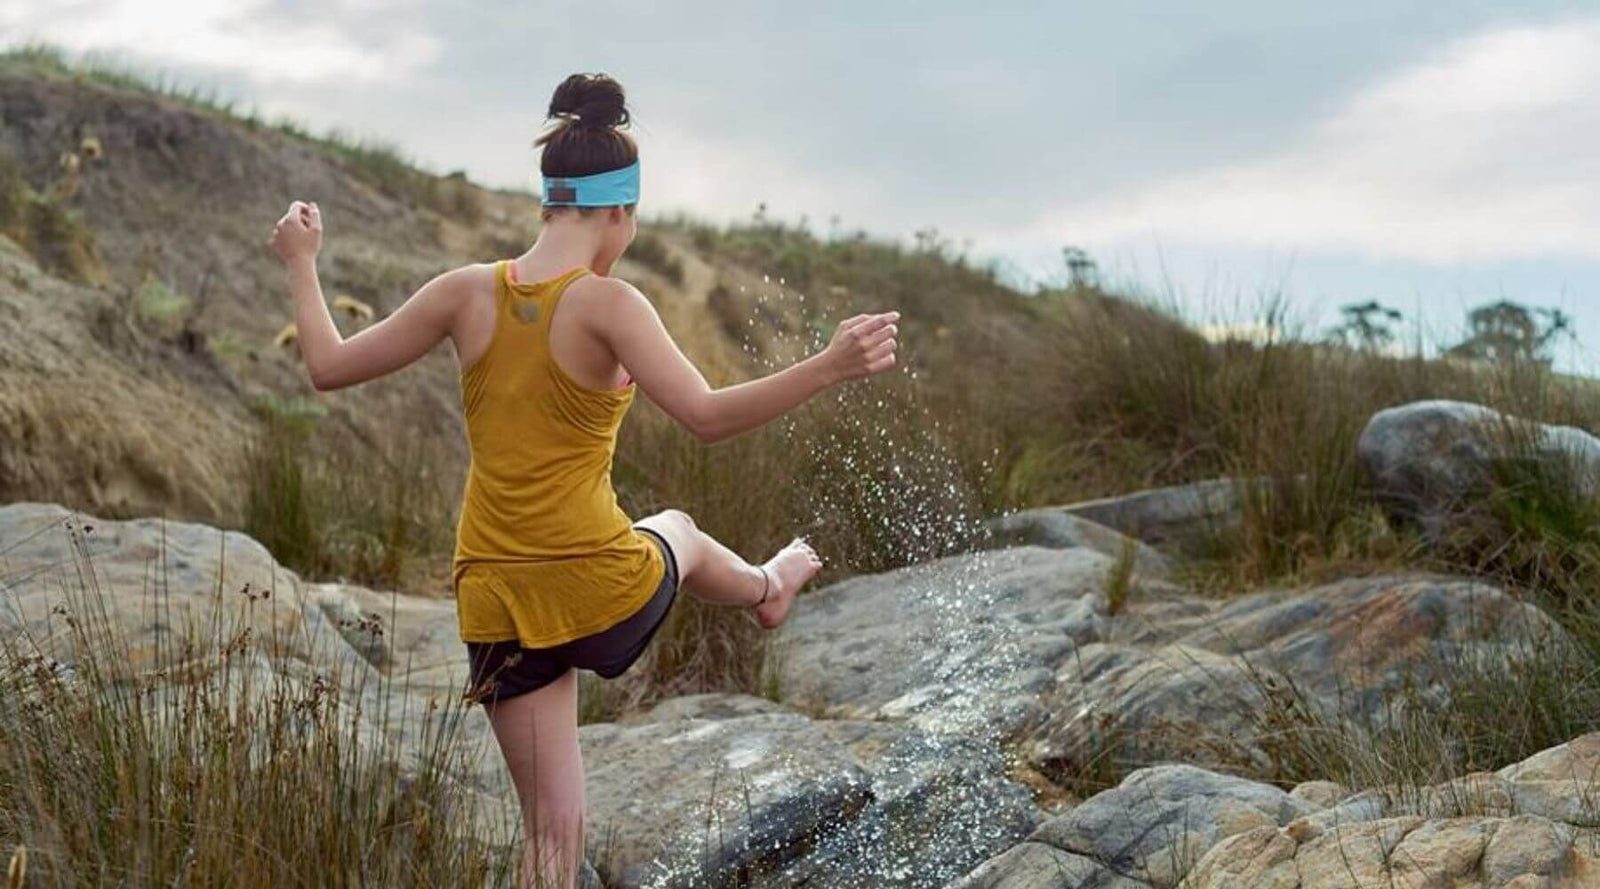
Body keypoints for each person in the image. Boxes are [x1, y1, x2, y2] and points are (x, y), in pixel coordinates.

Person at [268, 72, 899, 889]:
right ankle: (766, 588)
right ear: (619, 213)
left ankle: (766, 585)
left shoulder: (463, 292)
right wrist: (827, 365)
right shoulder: (610, 304)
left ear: (548, 203)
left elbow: (326, 366)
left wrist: (303, 260)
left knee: (552, 846)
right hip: (597, 584)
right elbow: (705, 417)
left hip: (495, 596)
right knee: (676, 525)